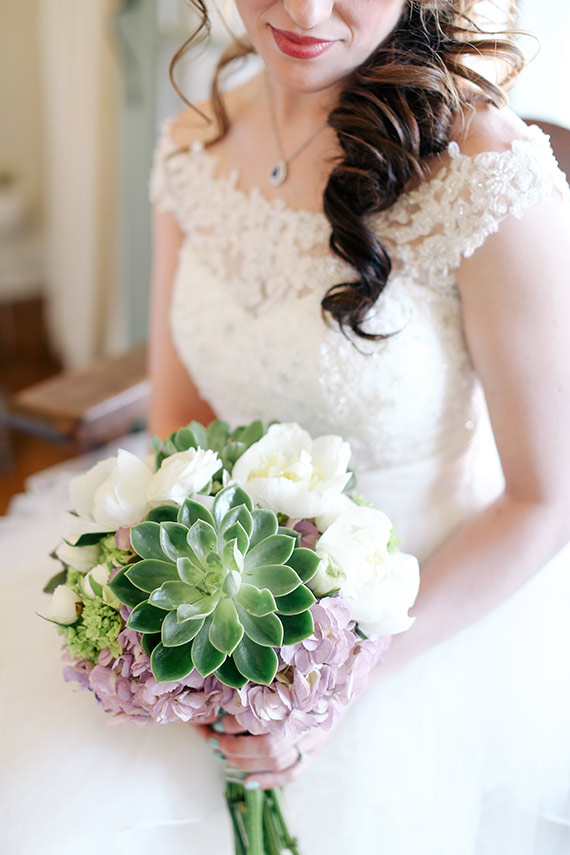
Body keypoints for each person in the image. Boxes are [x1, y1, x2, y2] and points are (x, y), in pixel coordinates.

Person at [1, 2, 569, 854]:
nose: (304, 10)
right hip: (225, 600)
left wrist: (332, 685)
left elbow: (546, 499)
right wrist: (189, 643)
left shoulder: (487, 174)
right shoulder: (194, 140)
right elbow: (181, 420)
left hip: (429, 620)